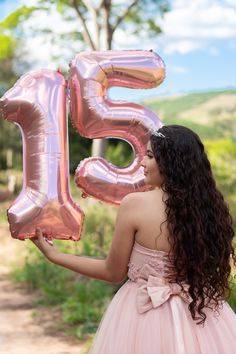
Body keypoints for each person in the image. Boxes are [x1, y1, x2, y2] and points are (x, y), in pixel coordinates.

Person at [32, 125, 236, 353]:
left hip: (142, 313)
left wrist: (55, 255)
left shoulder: (134, 204)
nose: (141, 163)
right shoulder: (208, 211)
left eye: (149, 156)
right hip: (200, 312)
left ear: (170, 161)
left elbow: (113, 272)